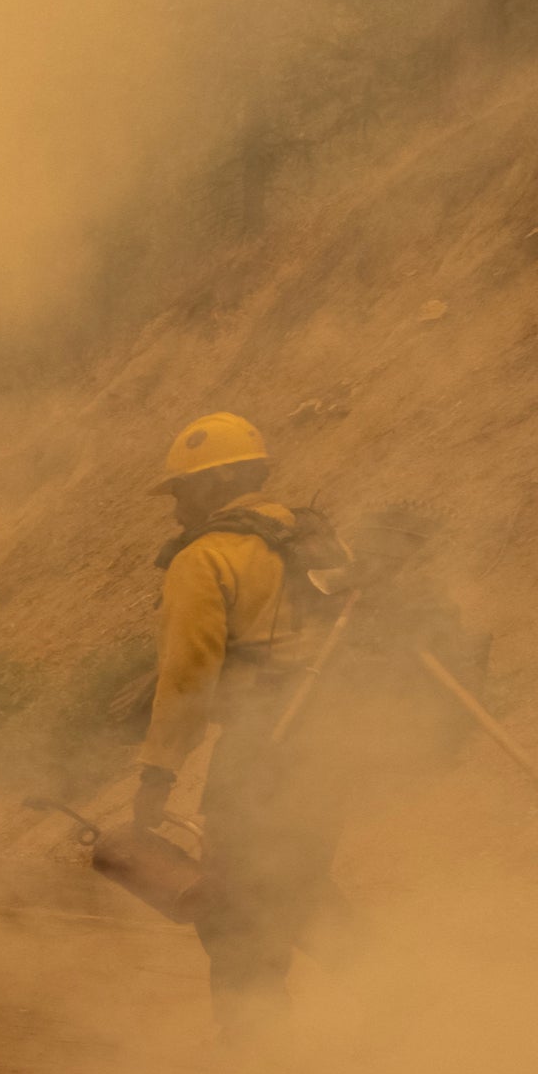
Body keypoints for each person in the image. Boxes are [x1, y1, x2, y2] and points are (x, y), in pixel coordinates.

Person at [122, 412, 348, 1025]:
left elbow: (188, 678)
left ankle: (256, 1069)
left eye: (182, 492)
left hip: (259, 756)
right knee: (297, 888)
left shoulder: (205, 558)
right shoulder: (319, 544)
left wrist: (157, 777)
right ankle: (416, 1001)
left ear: (215, 485)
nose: (175, 511)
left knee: (237, 916)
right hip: (338, 749)